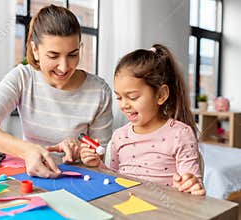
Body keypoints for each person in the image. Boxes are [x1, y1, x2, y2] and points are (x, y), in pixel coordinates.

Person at [0, 5, 113, 178]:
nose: (64, 67)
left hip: (78, 179)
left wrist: (81, 152)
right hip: (31, 177)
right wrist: (26, 150)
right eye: (53, 56)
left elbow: (99, 156)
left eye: (73, 54)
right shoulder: (23, 77)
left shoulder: (99, 91)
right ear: (35, 50)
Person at [80, 44, 205, 195]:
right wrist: (98, 165)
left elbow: (193, 186)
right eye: (119, 97)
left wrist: (191, 185)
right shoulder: (119, 136)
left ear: (161, 95)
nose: (124, 105)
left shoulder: (181, 134)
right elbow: (115, 179)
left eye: (132, 97)